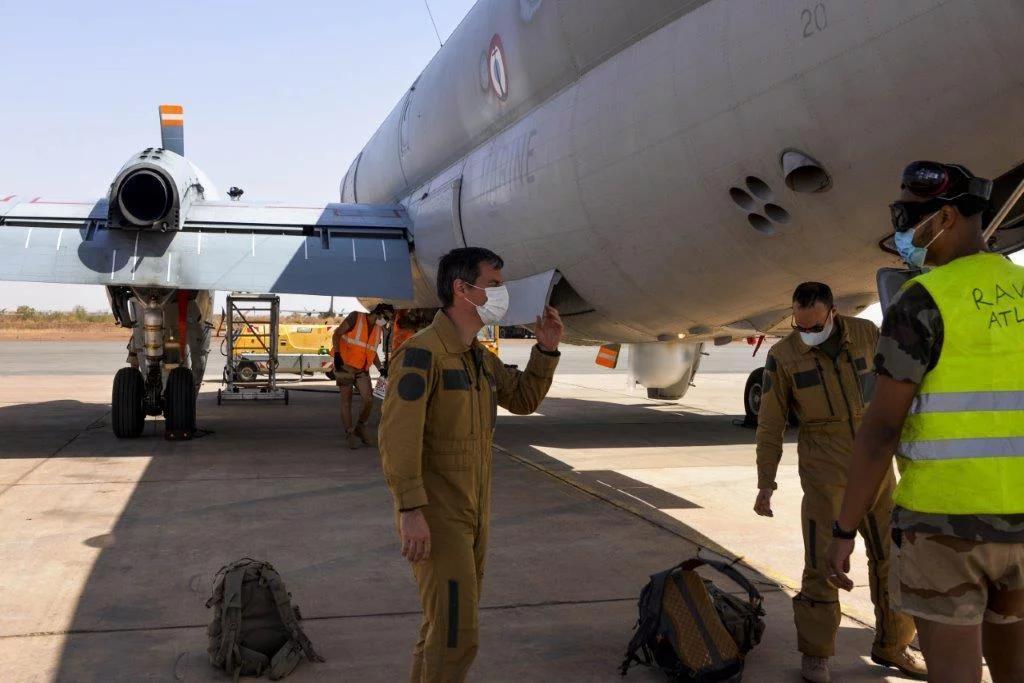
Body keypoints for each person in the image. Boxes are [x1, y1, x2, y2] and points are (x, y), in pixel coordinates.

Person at [827, 161, 1024, 683]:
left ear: (949, 217)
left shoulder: (923, 301)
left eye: (908, 216)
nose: (902, 230)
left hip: (946, 528)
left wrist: (844, 529)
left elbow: (882, 429)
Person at [378, 247, 563, 683]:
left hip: (473, 514)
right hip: (437, 518)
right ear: (463, 290)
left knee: (443, 629)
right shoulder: (423, 355)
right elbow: (396, 439)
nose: (502, 295)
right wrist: (410, 511)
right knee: (457, 635)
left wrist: (547, 350)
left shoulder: (478, 357)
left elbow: (523, 399)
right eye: (495, 286)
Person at [755, 281, 923, 682]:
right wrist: (766, 480)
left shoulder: (868, 335)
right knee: (822, 563)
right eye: (800, 326)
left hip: (876, 465)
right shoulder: (784, 356)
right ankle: (816, 654)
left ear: (833, 312)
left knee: (893, 558)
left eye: (814, 325)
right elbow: (771, 422)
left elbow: (899, 388)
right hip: (824, 470)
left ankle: (893, 645)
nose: (807, 334)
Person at [331, 303, 393, 449]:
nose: (386, 321)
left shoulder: (379, 329)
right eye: (386, 318)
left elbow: (371, 350)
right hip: (345, 364)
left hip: (362, 369)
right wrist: (337, 355)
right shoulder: (355, 317)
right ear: (378, 313)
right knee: (346, 400)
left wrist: (380, 368)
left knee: (368, 399)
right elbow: (337, 334)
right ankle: (349, 432)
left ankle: (360, 426)